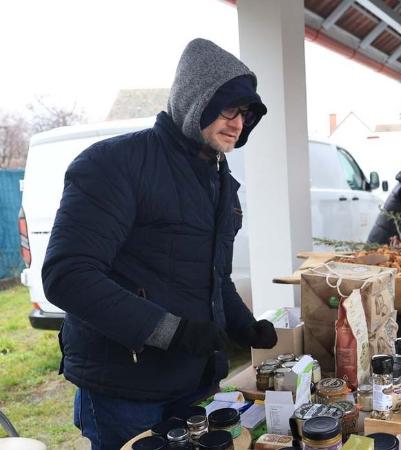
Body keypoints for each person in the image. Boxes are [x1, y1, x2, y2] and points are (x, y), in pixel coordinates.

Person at [41, 38, 277, 449]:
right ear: (195, 100)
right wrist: (171, 331)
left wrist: (244, 324)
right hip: (125, 386)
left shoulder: (219, 182)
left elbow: (214, 276)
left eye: (245, 114)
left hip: (196, 378)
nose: (238, 123)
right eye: (228, 108)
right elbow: (68, 276)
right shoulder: (114, 164)